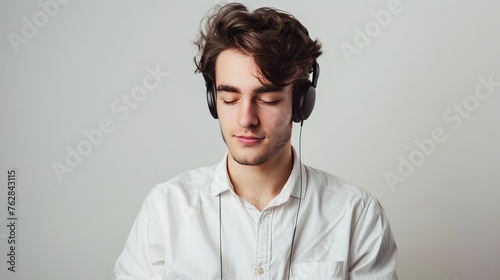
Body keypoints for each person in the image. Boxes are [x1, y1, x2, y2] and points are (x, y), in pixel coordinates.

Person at [114, 3, 398, 279]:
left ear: (301, 103)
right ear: (213, 101)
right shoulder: (166, 210)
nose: (246, 119)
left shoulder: (356, 215)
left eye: (267, 99)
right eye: (230, 99)